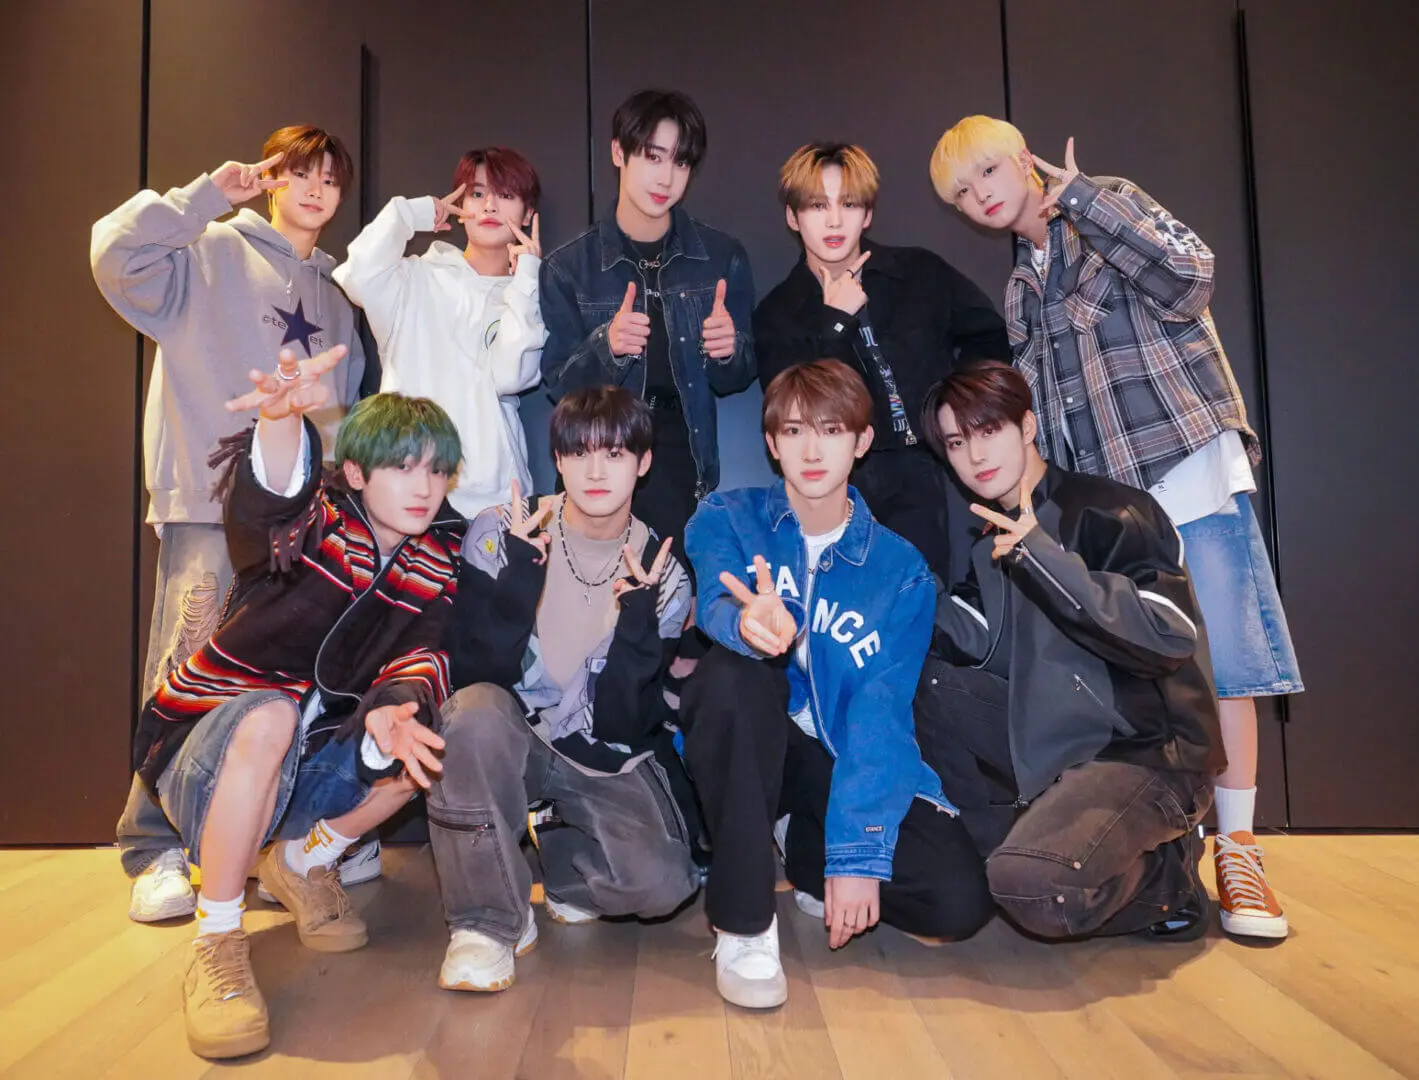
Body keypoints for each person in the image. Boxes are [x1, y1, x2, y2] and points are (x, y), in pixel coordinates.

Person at [930, 116, 1302, 939]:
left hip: (1182, 463)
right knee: (1145, 667)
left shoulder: (1109, 209)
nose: (980, 194)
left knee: (1226, 664)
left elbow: (1191, 279)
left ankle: (1236, 850)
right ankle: (1158, 842)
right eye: (962, 192)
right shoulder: (1021, 286)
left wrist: (1089, 201)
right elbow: (1041, 418)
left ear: (1022, 156)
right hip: (1108, 503)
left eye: (988, 171)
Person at [135, 345, 464, 1058]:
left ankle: (307, 861)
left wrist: (394, 709)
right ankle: (218, 940)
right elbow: (270, 505)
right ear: (353, 473)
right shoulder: (312, 529)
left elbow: (424, 653)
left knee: (424, 746)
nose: (424, 487)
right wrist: (281, 422)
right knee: (271, 712)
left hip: (307, 765)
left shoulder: (435, 560)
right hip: (210, 753)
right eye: (403, 466)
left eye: (436, 469)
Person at [92, 124, 373, 923]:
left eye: (330, 178)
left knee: (284, 679)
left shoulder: (333, 296)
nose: (315, 189)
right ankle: (153, 848)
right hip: (207, 504)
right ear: (272, 177)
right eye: (300, 173)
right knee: (187, 667)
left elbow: (340, 408)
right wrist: (206, 195)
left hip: (300, 515)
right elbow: (113, 256)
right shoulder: (206, 250)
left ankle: (255, 839)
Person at [681, 360, 992, 1010]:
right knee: (734, 673)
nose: (812, 449)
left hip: (834, 765)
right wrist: (745, 621)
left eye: (830, 429)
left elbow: (881, 715)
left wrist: (856, 857)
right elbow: (714, 594)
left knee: (955, 899)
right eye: (793, 431)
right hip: (750, 749)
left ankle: (806, 846)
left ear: (861, 440)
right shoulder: (729, 517)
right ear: (770, 444)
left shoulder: (899, 570)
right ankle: (743, 924)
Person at [914, 360, 1223, 942]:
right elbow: (972, 639)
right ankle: (1015, 848)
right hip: (1060, 745)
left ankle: (1167, 875)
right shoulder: (993, 537)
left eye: (989, 431)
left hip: (1147, 753)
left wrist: (1041, 555)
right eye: (957, 442)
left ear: (1027, 426)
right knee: (925, 681)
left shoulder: (1110, 511)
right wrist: (897, 582)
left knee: (1034, 891)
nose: (975, 456)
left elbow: (1169, 633)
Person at [431, 386, 700, 992]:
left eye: (615, 453)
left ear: (644, 461)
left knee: (662, 887)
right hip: (511, 733)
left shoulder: (662, 572)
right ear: (558, 459)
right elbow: (475, 673)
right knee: (471, 714)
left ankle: (557, 846)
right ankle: (486, 924)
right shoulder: (502, 533)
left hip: (595, 752)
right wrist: (518, 580)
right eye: (580, 453)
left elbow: (623, 726)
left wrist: (636, 622)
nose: (597, 470)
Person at [754, 142, 1009, 582]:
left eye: (849, 204)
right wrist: (835, 323)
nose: (835, 221)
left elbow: (989, 335)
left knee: (949, 613)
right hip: (846, 488)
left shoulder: (918, 272)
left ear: (868, 214)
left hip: (938, 470)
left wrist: (965, 412)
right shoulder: (778, 313)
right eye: (817, 206)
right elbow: (793, 417)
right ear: (793, 217)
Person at [540, 88, 756, 568]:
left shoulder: (720, 257)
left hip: (681, 453)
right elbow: (557, 385)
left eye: (680, 163)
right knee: (592, 616)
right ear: (619, 152)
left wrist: (728, 351)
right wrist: (608, 347)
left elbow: (738, 375)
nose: (666, 177)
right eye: (652, 156)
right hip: (598, 453)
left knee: (668, 616)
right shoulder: (569, 267)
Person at [334, 146, 547, 519]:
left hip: (493, 498)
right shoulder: (414, 278)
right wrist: (412, 213)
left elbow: (511, 376)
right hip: (406, 487)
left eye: (507, 195)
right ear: (460, 204)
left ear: (529, 213)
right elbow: (358, 274)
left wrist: (526, 280)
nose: (490, 207)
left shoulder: (526, 295)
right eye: (478, 194)